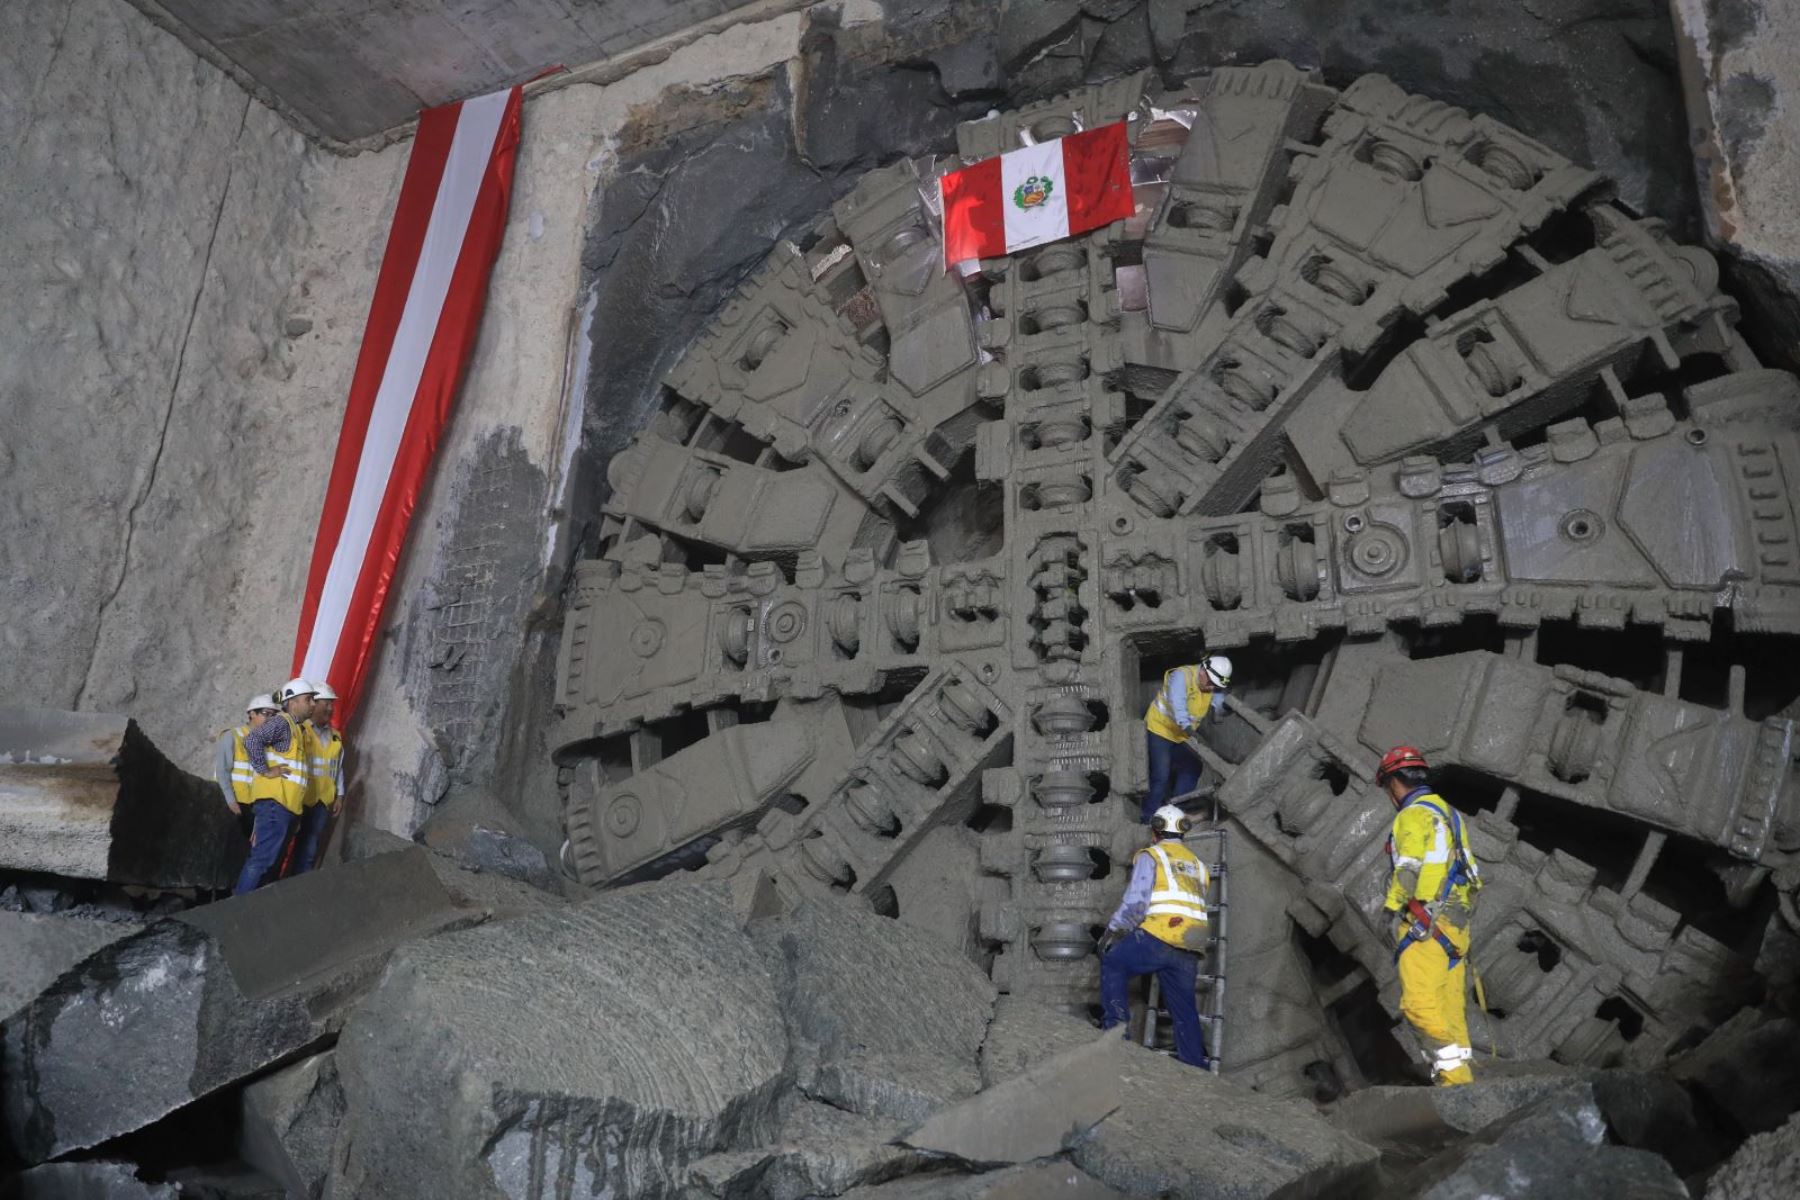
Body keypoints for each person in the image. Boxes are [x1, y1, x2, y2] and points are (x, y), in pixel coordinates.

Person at [1377, 745, 1481, 1086]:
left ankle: (1454, 1081)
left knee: (1420, 1005)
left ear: (1394, 783)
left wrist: (1391, 909)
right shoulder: (1449, 813)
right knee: (1449, 1006)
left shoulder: (1410, 816)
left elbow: (1408, 871)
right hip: (1456, 926)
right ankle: (1463, 1079)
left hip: (1426, 922)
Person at [1097, 804, 1212, 1069]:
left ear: (1156, 830)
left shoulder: (1153, 856)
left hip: (1160, 936)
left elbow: (1136, 902)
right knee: (1184, 1010)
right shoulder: (1197, 865)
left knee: (1114, 962)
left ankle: (1116, 1039)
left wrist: (1114, 931)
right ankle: (1195, 1067)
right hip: (1191, 946)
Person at [232, 678, 315, 895]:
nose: (313, 704)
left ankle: (248, 907)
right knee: (262, 859)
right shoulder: (282, 722)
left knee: (270, 861)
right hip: (274, 804)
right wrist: (266, 770)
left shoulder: (296, 729)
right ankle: (237, 907)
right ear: (293, 702)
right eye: (309, 699)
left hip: (285, 807)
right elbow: (252, 741)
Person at [1141, 655, 1232, 822]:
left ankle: (1175, 810)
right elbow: (1178, 706)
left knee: (1192, 767)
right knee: (1161, 776)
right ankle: (1147, 817)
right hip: (1160, 730)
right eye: (1211, 683)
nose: (1212, 688)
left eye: (1215, 686)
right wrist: (1190, 730)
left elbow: (1218, 701)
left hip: (1180, 735)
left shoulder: (1210, 684)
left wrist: (1224, 707)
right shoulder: (1181, 677)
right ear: (1204, 670)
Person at [291, 680, 346, 875]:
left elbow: (336, 768)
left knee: (310, 848)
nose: (330, 709)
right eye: (326, 703)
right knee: (284, 844)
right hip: (299, 797)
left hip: (322, 800)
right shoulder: (299, 730)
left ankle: (297, 888)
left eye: (332, 704)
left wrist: (339, 794)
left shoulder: (335, 737)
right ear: (314, 703)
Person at [214, 694, 277, 820]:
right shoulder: (232, 736)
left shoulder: (269, 744)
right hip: (230, 803)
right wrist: (230, 801)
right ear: (252, 713)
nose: (270, 719)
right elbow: (222, 772)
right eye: (266, 714)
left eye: (273, 716)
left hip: (256, 808)